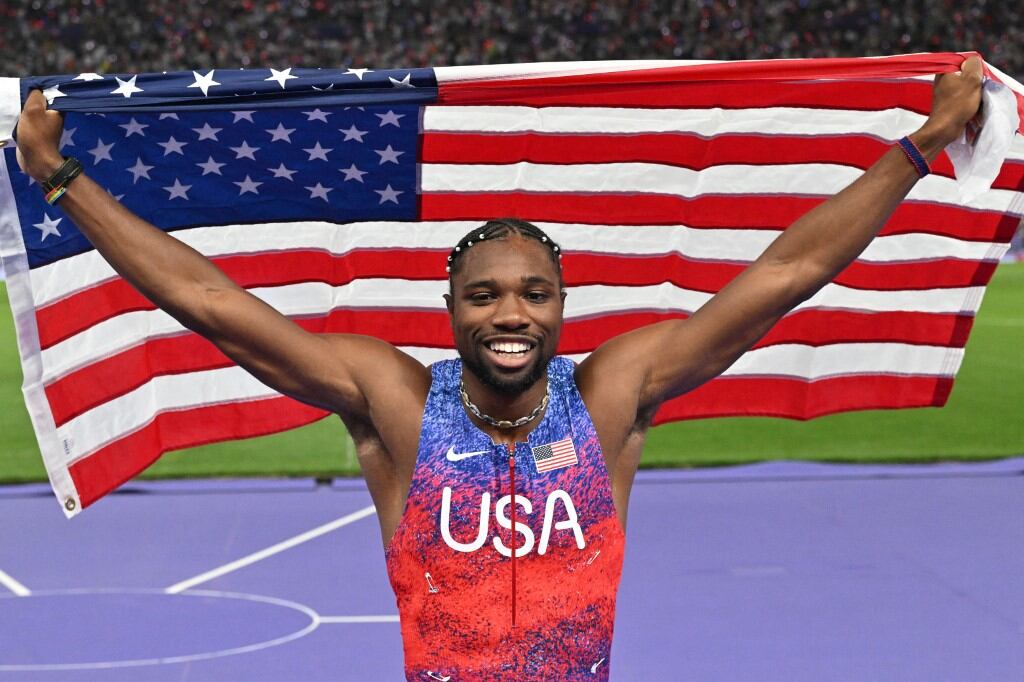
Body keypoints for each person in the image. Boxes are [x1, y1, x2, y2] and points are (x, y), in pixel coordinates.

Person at [14, 57, 983, 680]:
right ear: (452, 312)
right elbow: (213, 304)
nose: (511, 313)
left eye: (533, 293)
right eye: (484, 296)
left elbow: (783, 275)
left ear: (561, 307)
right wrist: (61, 179)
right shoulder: (395, 401)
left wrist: (922, 143)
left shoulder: (611, 396)